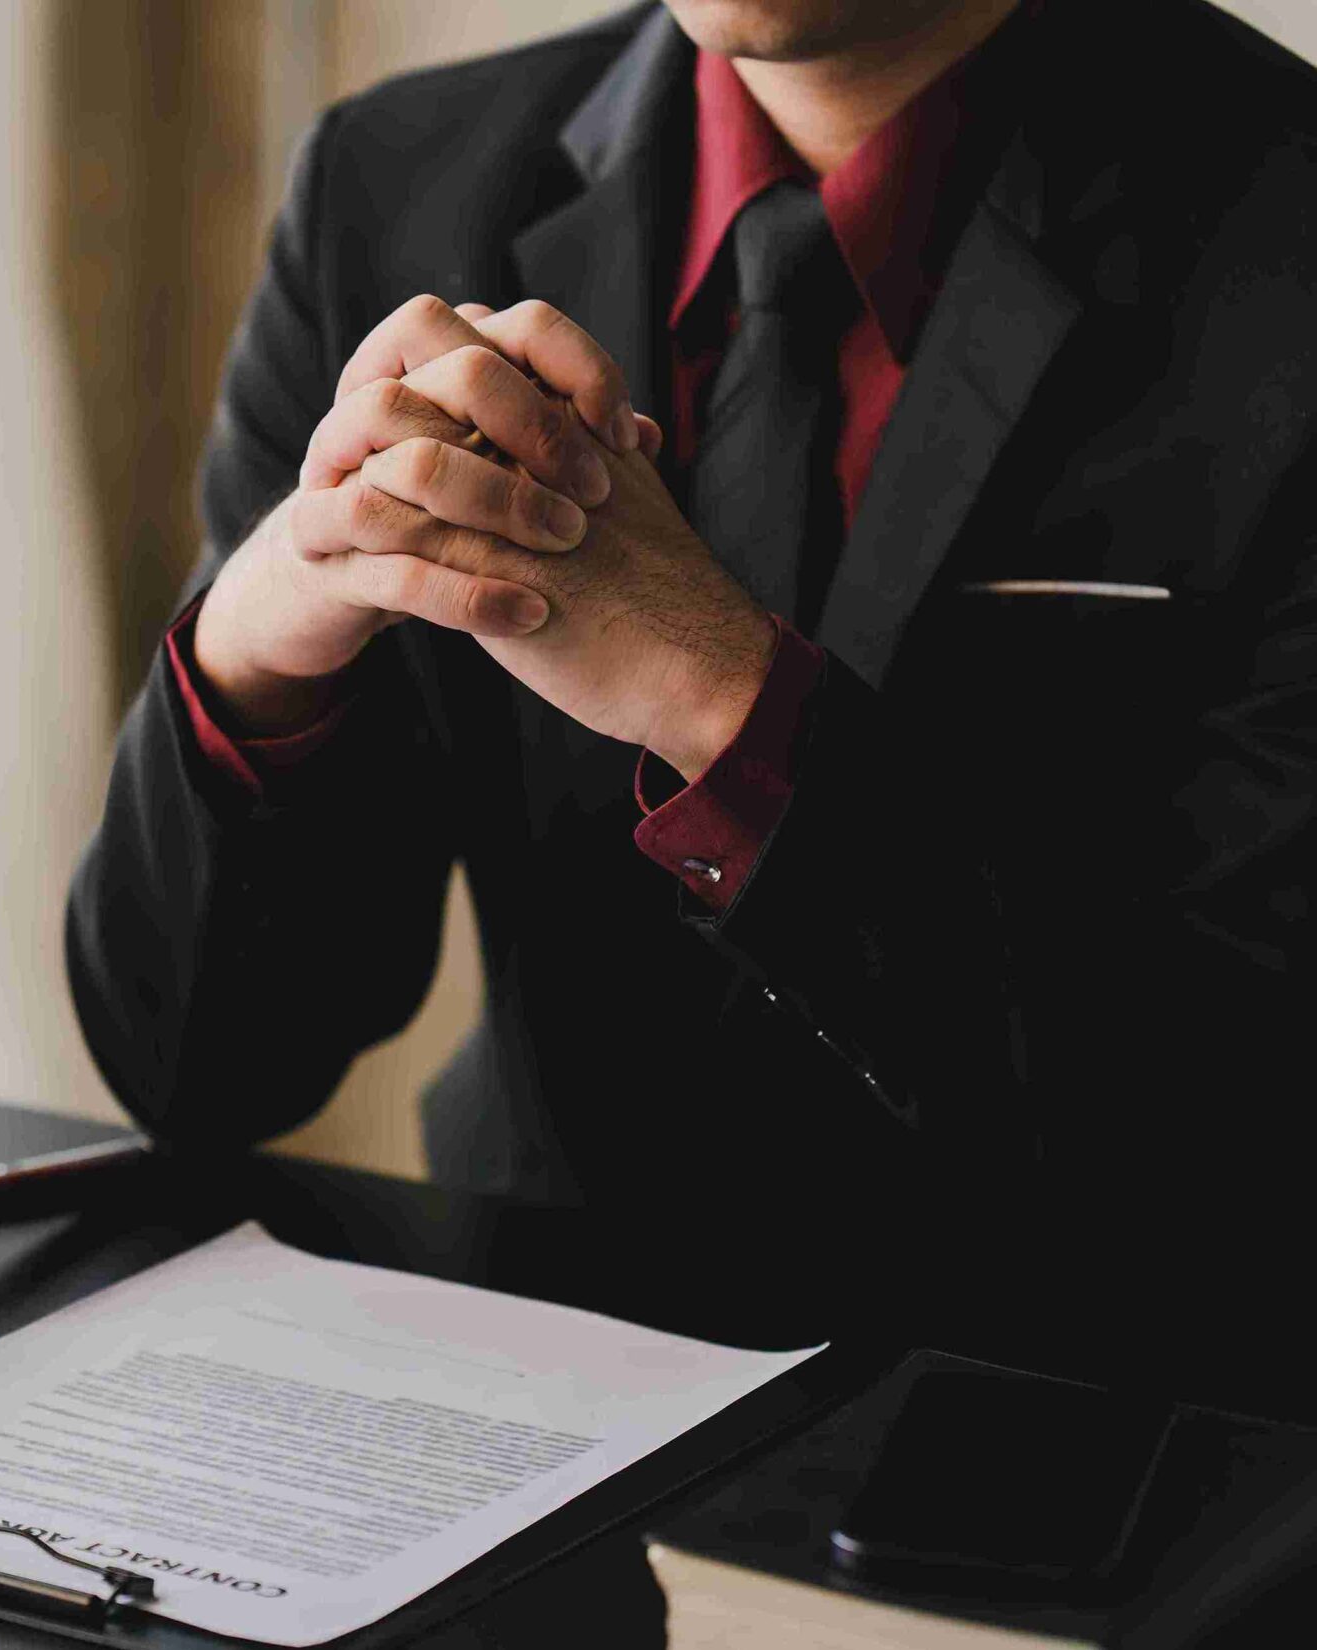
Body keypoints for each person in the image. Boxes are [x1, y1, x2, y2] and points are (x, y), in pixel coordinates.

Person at [65, 0, 1317, 1414]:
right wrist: (258, 647)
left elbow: (1237, 1133)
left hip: (1104, 1437)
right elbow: (201, 1067)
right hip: (508, 1393)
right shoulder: (389, 180)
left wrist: (719, 691)